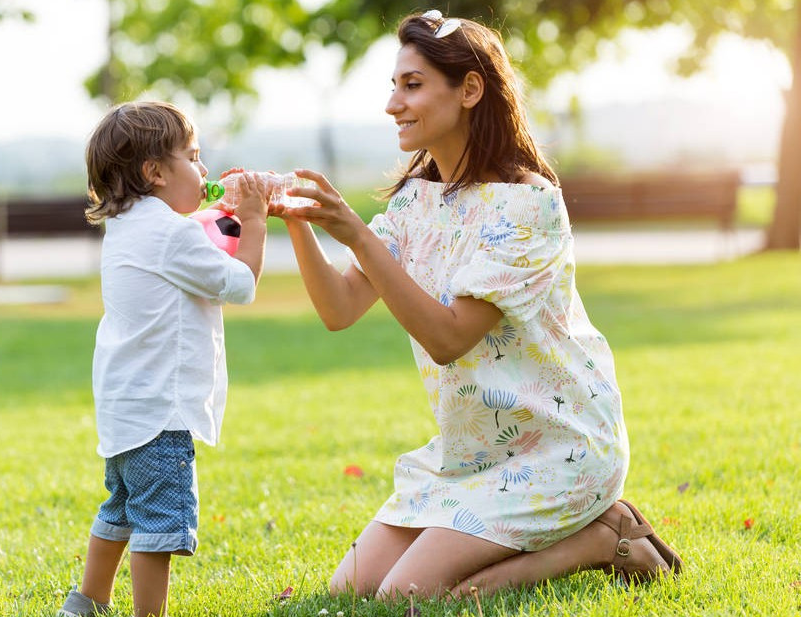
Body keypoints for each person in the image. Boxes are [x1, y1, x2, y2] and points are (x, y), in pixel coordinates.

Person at [268, 10, 683, 601]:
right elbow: (339, 308)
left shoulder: (528, 205)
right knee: (347, 593)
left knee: (402, 598)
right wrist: (299, 221)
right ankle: (581, 536)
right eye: (393, 86)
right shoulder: (416, 201)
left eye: (411, 85)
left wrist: (356, 233)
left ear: (469, 89)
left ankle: (599, 539)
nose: (393, 104)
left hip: (556, 449)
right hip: (469, 457)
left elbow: (449, 337)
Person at [57, 101, 268, 617]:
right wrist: (257, 222)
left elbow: (187, 238)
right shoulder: (171, 235)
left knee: (121, 509)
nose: (203, 171)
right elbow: (239, 285)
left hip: (125, 406)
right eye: (194, 158)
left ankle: (86, 602)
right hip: (160, 412)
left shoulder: (129, 225)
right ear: (154, 172)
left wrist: (219, 213)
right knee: (158, 527)